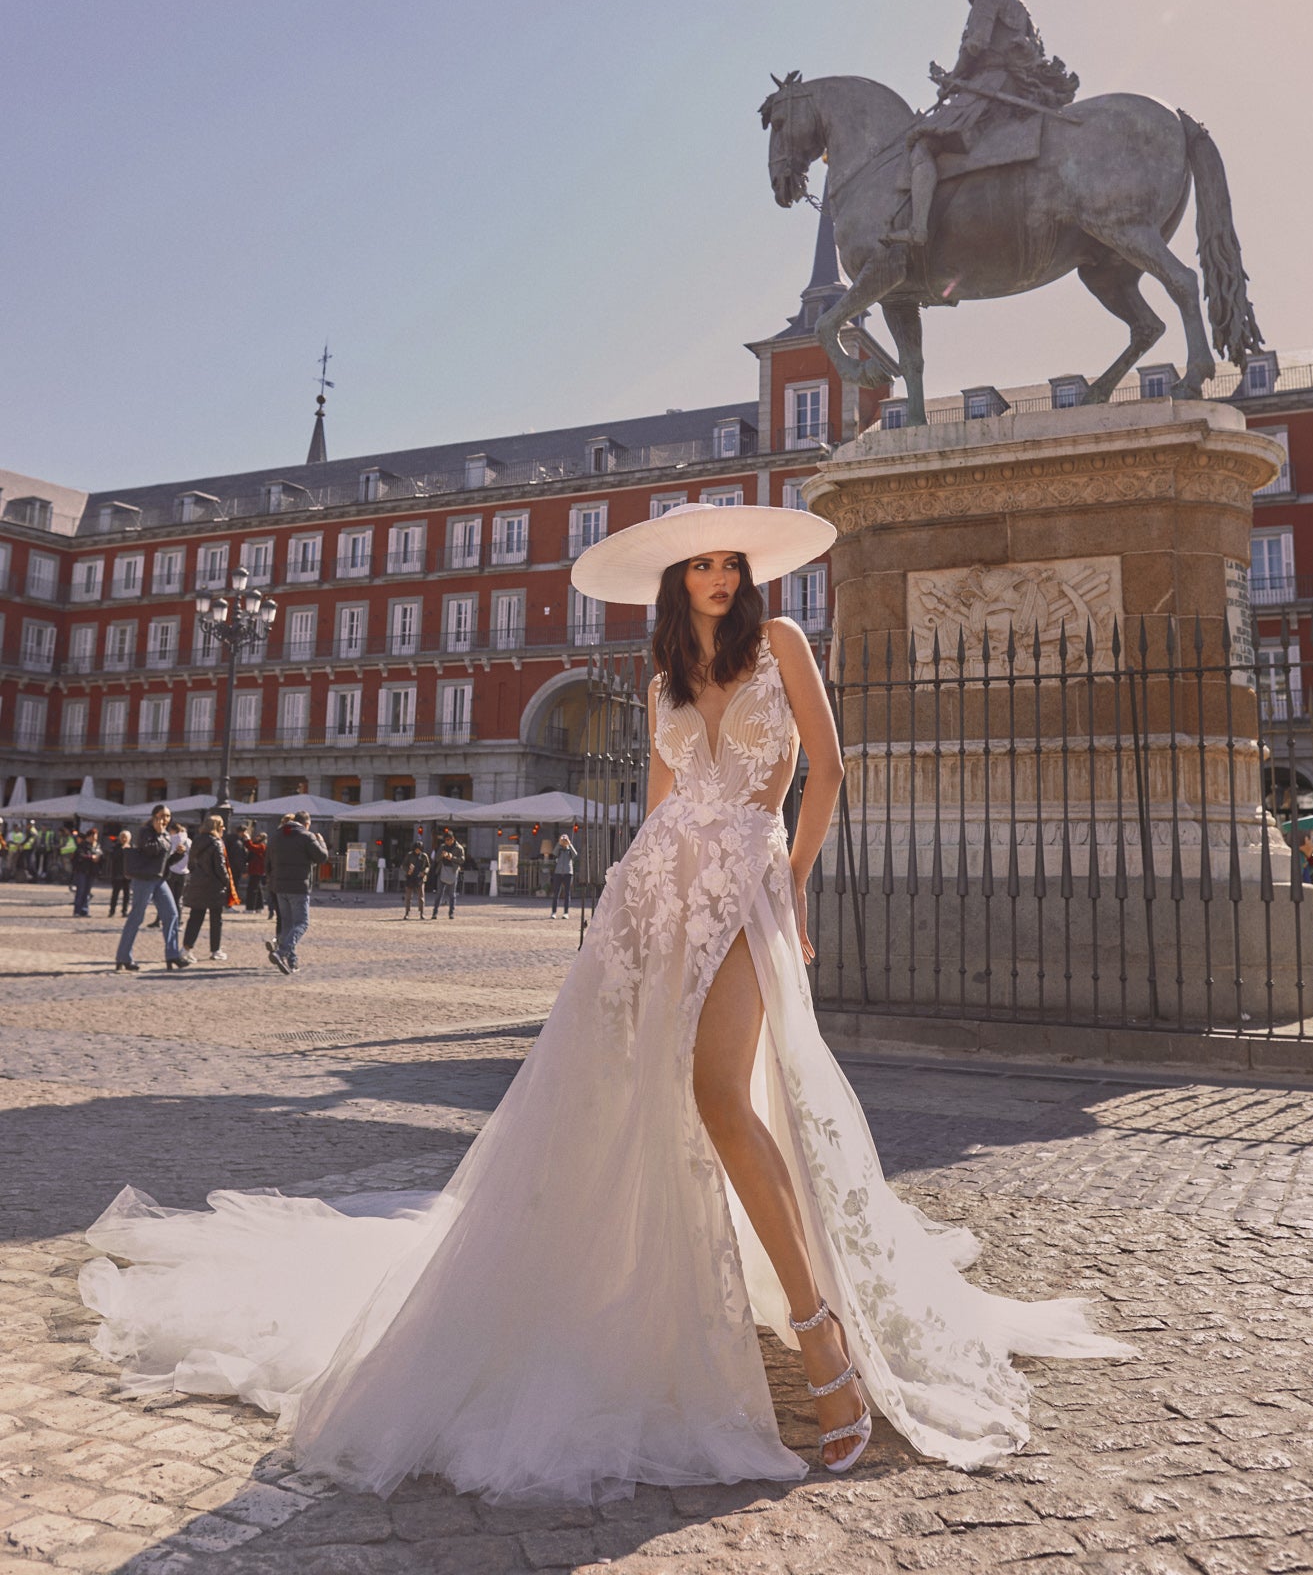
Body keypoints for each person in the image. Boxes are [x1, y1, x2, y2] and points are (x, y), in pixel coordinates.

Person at [79, 503, 1131, 1503]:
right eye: (702, 566)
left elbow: (830, 771)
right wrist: (630, 910)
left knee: (722, 1095)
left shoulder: (788, 649)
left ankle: (822, 1338)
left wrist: (793, 883)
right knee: (626, 1105)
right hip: (656, 893)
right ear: (677, 582)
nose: (720, 579)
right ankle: (642, 1297)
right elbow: (663, 807)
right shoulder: (661, 672)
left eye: (732, 564)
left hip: (748, 885)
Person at [882, 0, 1077, 257]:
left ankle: (919, 228)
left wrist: (952, 79)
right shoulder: (1021, 6)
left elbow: (977, 44)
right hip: (1018, 89)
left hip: (990, 85)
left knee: (922, 144)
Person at [115, 804, 191, 972]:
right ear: (154, 816)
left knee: (171, 914)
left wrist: (178, 854)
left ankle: (172, 955)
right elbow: (149, 851)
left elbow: (165, 863)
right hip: (144, 879)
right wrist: (158, 833)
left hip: (159, 879)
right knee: (136, 917)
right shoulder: (145, 832)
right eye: (162, 815)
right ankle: (123, 957)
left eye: (168, 816)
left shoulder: (165, 834)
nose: (165, 819)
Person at [264, 810, 327, 974]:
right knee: (302, 923)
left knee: (287, 924)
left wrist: (271, 882)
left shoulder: (276, 836)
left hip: (279, 887)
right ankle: (281, 951)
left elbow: (267, 861)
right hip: (298, 887)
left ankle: (291, 961)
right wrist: (322, 842)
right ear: (307, 823)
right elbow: (321, 857)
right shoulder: (307, 836)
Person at [181, 815, 231, 962]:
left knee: (195, 917)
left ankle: (186, 949)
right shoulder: (217, 843)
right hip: (214, 886)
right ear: (216, 827)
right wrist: (227, 882)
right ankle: (215, 950)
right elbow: (220, 867)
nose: (224, 829)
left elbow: (190, 863)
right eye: (222, 826)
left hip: (198, 883)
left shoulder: (196, 841)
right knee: (216, 919)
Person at [430, 829, 465, 919]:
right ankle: (435, 913)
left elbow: (462, 860)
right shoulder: (442, 847)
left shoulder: (459, 848)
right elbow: (436, 859)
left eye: (448, 840)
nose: (447, 842)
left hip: (453, 871)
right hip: (443, 870)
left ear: (453, 839)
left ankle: (451, 913)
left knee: (451, 894)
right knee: (439, 893)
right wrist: (442, 855)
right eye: (445, 840)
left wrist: (451, 857)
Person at [71, 827, 102, 918]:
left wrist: (99, 858)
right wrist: (91, 857)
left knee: (87, 891)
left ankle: (85, 910)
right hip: (82, 870)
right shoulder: (82, 845)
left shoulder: (97, 846)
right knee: (80, 890)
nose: (95, 839)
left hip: (92, 871)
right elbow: (80, 855)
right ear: (90, 836)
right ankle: (77, 910)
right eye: (94, 837)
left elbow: (101, 854)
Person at [548, 833, 577, 919]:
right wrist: (559, 843)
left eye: (565, 839)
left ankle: (566, 913)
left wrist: (569, 844)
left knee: (567, 893)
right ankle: (553, 912)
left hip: (568, 873)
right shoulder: (559, 849)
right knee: (556, 893)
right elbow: (554, 853)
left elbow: (575, 854)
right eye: (563, 839)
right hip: (558, 873)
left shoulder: (569, 850)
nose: (564, 841)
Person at [164, 820, 190, 915]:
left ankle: (163, 919)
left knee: (166, 897)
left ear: (172, 830)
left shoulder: (169, 839)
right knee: (179, 898)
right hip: (184, 872)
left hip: (171, 870)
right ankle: (178, 921)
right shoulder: (188, 841)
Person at [401, 841, 431, 919]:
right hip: (410, 877)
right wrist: (408, 871)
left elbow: (428, 866)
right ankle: (407, 913)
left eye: (419, 849)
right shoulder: (409, 855)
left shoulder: (424, 856)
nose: (418, 851)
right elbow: (404, 865)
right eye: (417, 849)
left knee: (421, 897)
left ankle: (421, 913)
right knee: (408, 897)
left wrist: (424, 872)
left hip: (420, 878)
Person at [106, 831, 132, 916]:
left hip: (128, 874)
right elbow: (113, 857)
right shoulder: (116, 847)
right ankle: (112, 911)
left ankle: (124, 910)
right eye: (122, 837)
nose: (124, 839)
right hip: (117, 874)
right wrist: (122, 849)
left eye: (126, 837)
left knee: (126, 894)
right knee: (115, 894)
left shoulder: (132, 847)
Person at [245, 830, 268, 912]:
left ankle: (250, 908)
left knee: (252, 889)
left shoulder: (262, 846)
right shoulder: (260, 845)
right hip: (256, 870)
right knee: (257, 889)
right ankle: (259, 906)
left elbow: (251, 847)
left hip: (257, 870)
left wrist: (247, 840)